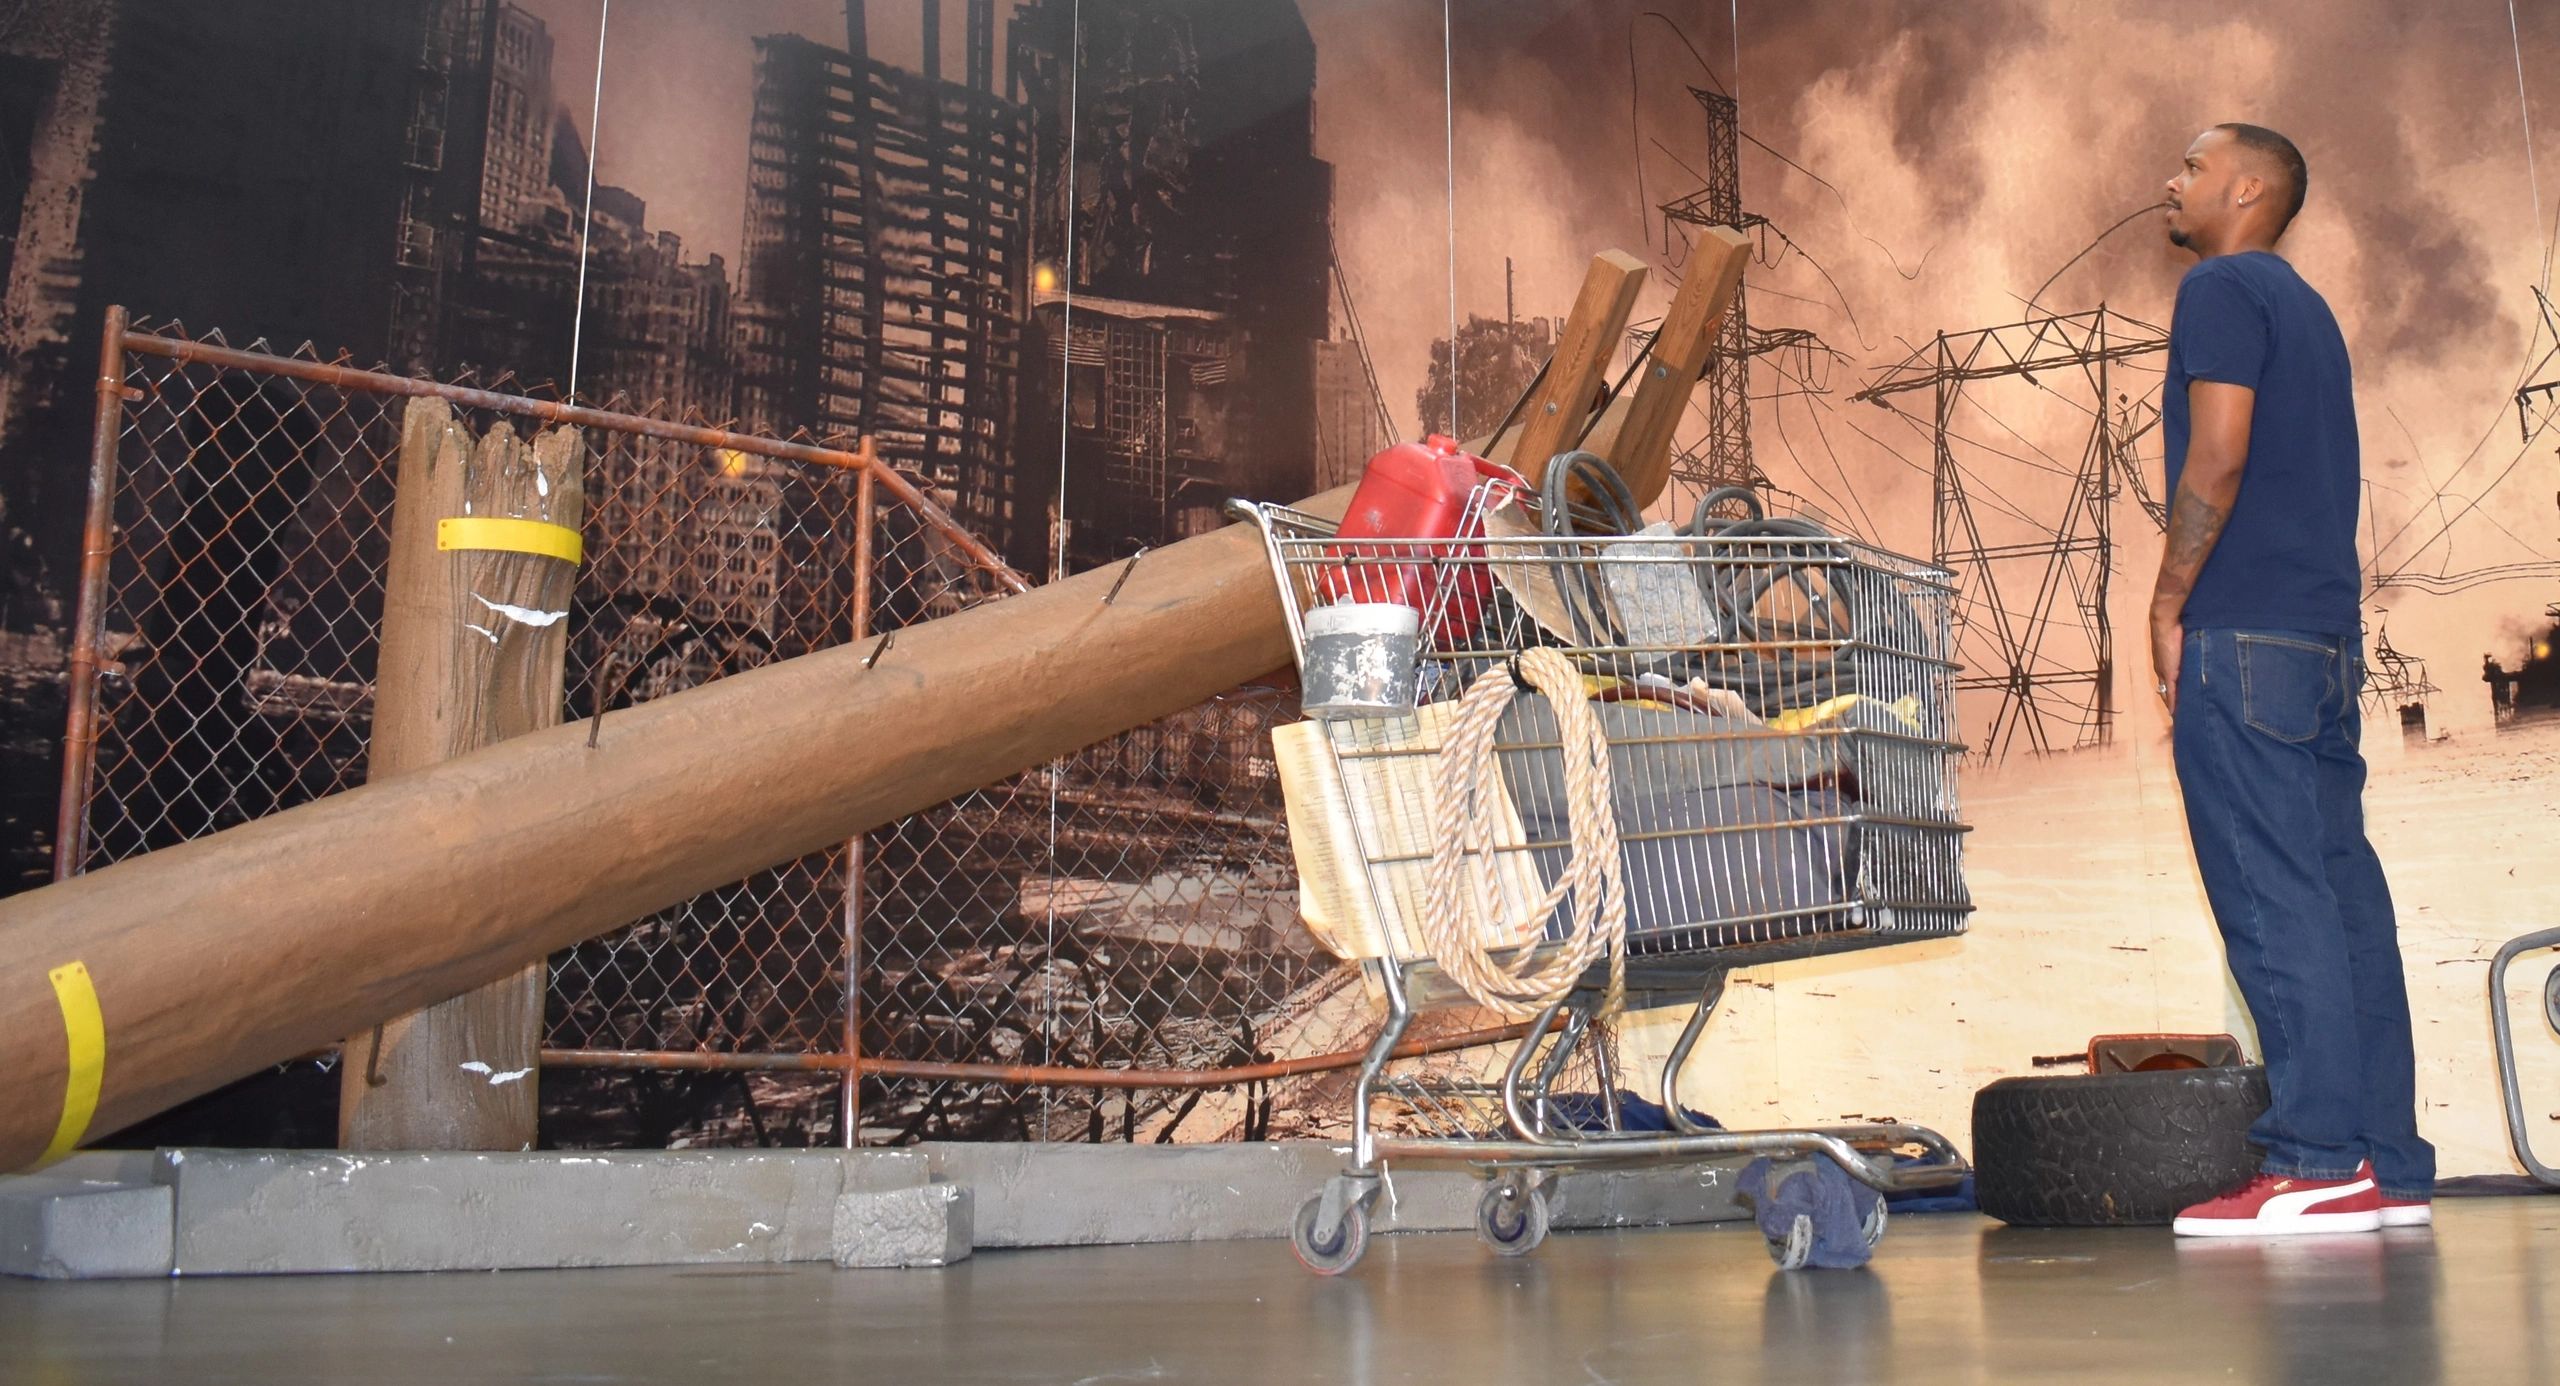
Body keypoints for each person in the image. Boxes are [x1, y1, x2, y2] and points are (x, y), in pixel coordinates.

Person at [2149, 123, 2434, 1237]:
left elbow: (2217, 454)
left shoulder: (2221, 289)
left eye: (2192, 165)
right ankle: (2385, 1165)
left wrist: (2168, 602)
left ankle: (2315, 1159)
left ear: (2248, 188)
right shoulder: (2308, 310)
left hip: (2245, 633)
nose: (2170, 181)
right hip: (2319, 640)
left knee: (2273, 899)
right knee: (2340, 896)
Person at [2484, 654, 2515, 720]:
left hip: (2499, 688)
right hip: (2500, 688)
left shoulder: (2493, 673)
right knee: (2499, 696)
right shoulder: (2493, 673)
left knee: (2497, 696)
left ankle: (2498, 711)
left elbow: (2486, 675)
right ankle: (2500, 710)